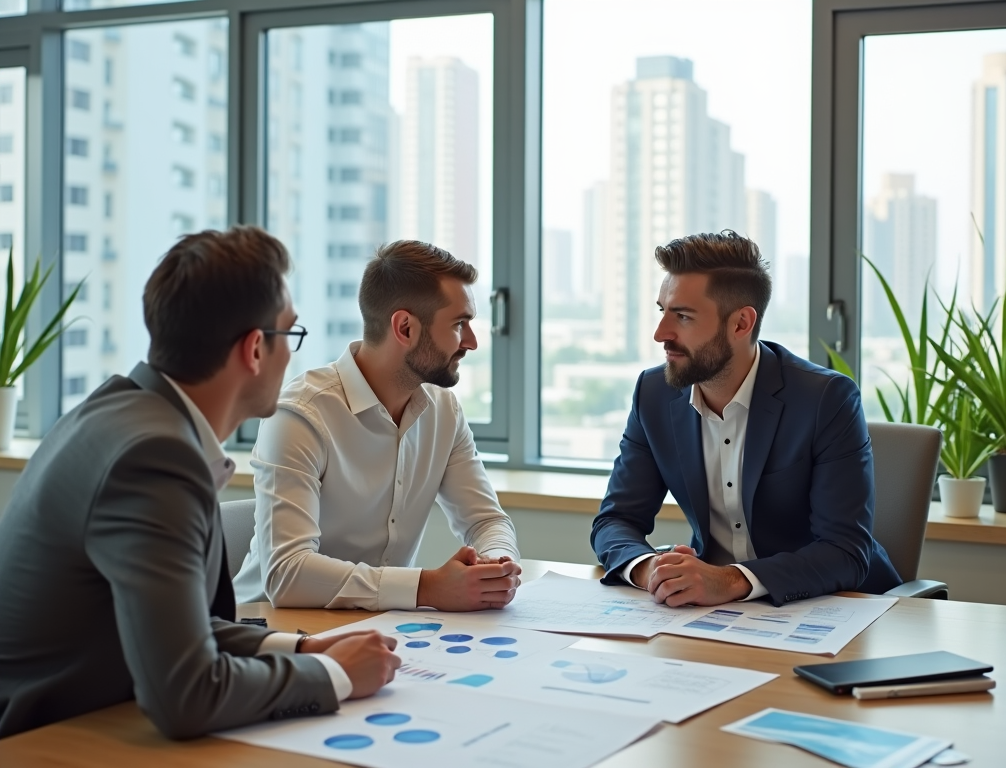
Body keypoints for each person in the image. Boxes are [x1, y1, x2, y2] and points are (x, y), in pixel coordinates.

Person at [0, 228, 401, 741]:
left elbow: (177, 627)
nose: (291, 358)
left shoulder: (123, 415)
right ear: (256, 349)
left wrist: (302, 649)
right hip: (48, 740)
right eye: (289, 336)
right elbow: (187, 694)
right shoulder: (154, 457)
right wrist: (338, 675)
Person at [591, 231, 901, 608]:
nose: (661, 334)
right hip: (720, 616)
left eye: (683, 316)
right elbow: (615, 521)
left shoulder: (825, 399)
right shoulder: (653, 393)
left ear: (741, 324)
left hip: (836, 606)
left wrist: (729, 580)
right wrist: (650, 569)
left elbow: (845, 551)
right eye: (662, 311)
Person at [233, 239, 521, 612]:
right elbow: (288, 574)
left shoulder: (444, 411)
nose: (472, 342)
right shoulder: (300, 415)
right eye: (459, 324)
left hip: (378, 631)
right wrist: (426, 588)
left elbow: (486, 521)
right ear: (404, 328)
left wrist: (495, 564)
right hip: (270, 635)